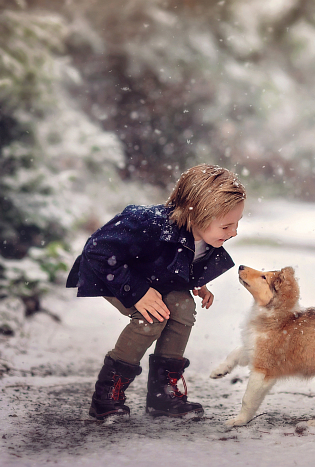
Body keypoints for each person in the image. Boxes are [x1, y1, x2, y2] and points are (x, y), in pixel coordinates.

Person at [66, 164, 246, 420]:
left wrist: (198, 282)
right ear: (197, 215)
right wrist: (138, 292)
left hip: (151, 279)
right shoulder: (147, 223)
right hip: (113, 274)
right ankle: (107, 396)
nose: (234, 232)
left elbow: (183, 257)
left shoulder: (203, 231)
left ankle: (164, 395)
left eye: (237, 224)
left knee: (183, 306)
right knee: (153, 318)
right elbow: (96, 250)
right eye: (227, 226)